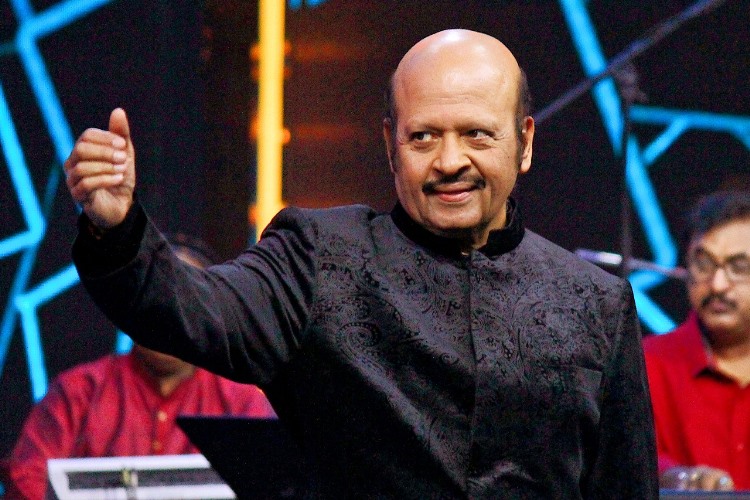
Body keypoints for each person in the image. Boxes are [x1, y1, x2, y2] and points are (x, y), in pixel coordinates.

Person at [62, 29, 657, 497]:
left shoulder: (596, 304)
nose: (450, 160)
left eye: (477, 135)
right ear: (390, 145)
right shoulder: (319, 258)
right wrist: (118, 228)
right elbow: (190, 310)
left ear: (524, 143)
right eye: (423, 137)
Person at [2, 242, 276, 500]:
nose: (167, 315)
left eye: (184, 304)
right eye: (154, 298)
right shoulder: (79, 391)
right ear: (131, 306)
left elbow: (275, 486)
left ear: (209, 315)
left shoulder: (242, 403)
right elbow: (25, 480)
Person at [644, 190, 750, 492]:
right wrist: (676, 479)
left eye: (739, 267)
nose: (717, 284)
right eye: (703, 264)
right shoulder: (645, 363)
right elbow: (625, 459)